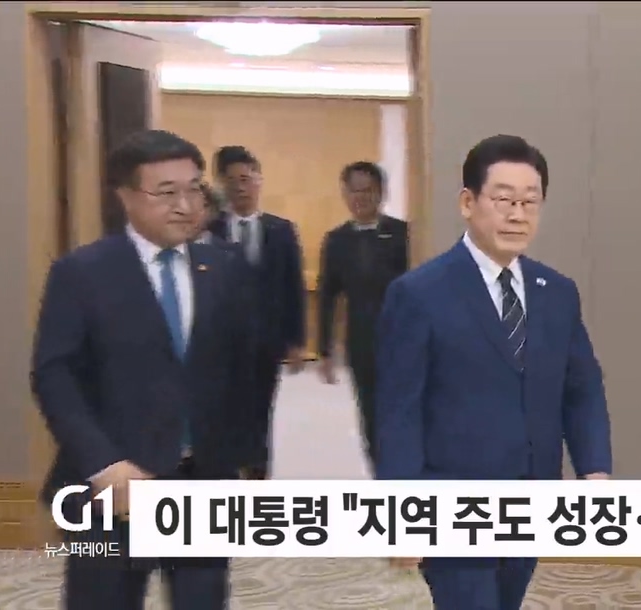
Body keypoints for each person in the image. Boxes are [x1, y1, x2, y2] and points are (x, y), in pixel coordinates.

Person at [375, 134, 613, 609]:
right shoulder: (420, 293)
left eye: (530, 201)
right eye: (503, 200)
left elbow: (582, 388)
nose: (517, 214)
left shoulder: (556, 292)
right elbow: (398, 413)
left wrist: (595, 469)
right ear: (468, 202)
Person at [31, 129, 258, 610]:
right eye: (166, 193)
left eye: (194, 189)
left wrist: (243, 456)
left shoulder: (225, 266)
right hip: (110, 487)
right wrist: (103, 464)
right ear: (127, 196)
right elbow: (54, 376)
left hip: (202, 483)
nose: (185, 206)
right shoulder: (83, 272)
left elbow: (244, 369)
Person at [208, 145, 306, 479]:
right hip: (221, 341)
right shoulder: (209, 230)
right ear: (222, 184)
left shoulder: (281, 230)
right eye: (232, 180)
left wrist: (296, 341)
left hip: (267, 338)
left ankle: (257, 473)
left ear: (259, 181)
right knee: (225, 407)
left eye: (246, 179)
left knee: (262, 407)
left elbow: (293, 286)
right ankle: (228, 469)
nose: (240, 187)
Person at [316, 161, 409, 462]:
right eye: (354, 191)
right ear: (345, 194)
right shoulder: (337, 240)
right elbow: (328, 295)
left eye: (368, 190)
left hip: (403, 339)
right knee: (370, 412)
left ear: (382, 192)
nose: (361, 197)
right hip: (361, 341)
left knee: (405, 409)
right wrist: (325, 350)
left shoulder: (403, 234)